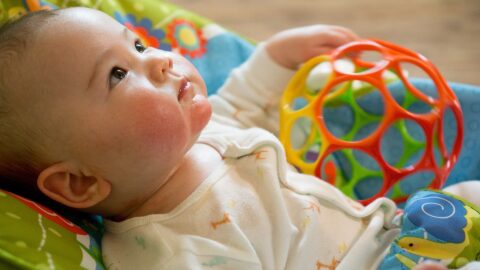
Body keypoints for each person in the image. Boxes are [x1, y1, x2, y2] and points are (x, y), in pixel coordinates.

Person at [0, 7, 478, 270]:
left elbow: (242, 99)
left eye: (140, 44)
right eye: (119, 74)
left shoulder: (199, 134)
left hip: (400, 230)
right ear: (80, 185)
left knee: (469, 196)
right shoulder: (171, 253)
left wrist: (273, 56)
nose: (162, 59)